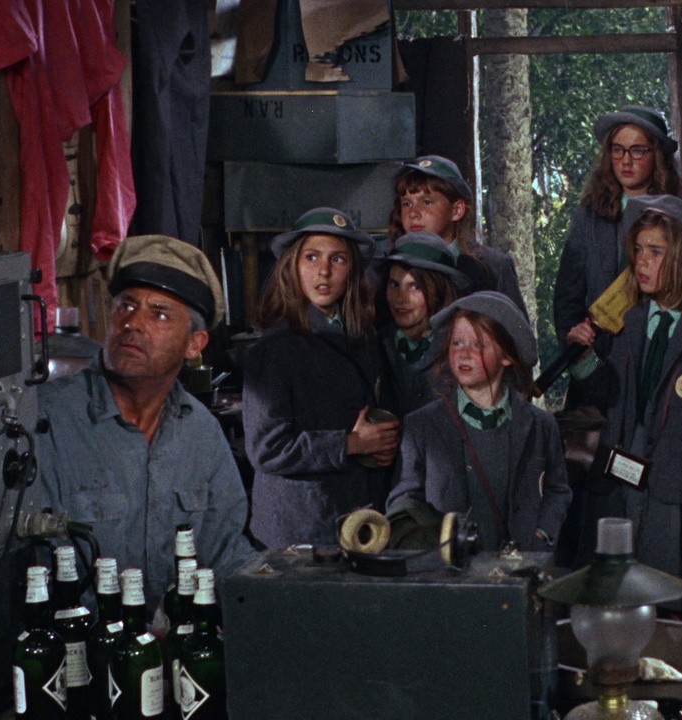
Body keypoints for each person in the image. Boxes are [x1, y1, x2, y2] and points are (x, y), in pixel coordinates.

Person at [35, 234, 257, 611]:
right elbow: (34, 569)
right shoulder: (50, 420)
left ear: (195, 344)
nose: (133, 324)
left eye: (159, 314)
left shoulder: (200, 433)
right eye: (126, 306)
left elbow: (227, 556)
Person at [568, 195, 682, 623]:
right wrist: (584, 359)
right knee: (621, 599)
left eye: (655, 252)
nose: (641, 262)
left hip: (677, 492)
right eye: (638, 250)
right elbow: (612, 394)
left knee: (679, 600)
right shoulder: (632, 322)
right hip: (622, 488)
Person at [243, 207, 399, 549]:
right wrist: (351, 444)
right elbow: (267, 449)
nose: (324, 271)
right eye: (311, 257)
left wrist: (382, 445)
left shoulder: (364, 339)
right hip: (299, 531)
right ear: (292, 267)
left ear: (352, 271)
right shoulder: (275, 349)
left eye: (338, 259)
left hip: (357, 521)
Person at [388, 292, 572, 552]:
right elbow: (404, 500)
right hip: (451, 571)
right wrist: (429, 544)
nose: (464, 354)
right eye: (456, 343)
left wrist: (542, 533)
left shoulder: (540, 426)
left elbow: (558, 489)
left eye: (478, 345)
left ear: (506, 356)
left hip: (520, 567)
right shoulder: (422, 426)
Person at [554, 105, 680, 411]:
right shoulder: (588, 218)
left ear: (657, 155)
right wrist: (576, 341)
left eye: (637, 150)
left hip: (653, 370)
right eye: (617, 149)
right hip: (594, 372)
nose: (625, 160)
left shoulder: (678, 220)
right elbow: (567, 298)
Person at [387, 154, 527, 316]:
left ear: (457, 210)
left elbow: (514, 328)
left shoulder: (494, 268)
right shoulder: (389, 267)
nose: (413, 213)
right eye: (407, 204)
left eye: (426, 202)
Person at [375, 230, 471, 415]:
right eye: (394, 284)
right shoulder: (374, 346)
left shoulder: (462, 348)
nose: (401, 299)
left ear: (439, 289)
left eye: (416, 287)